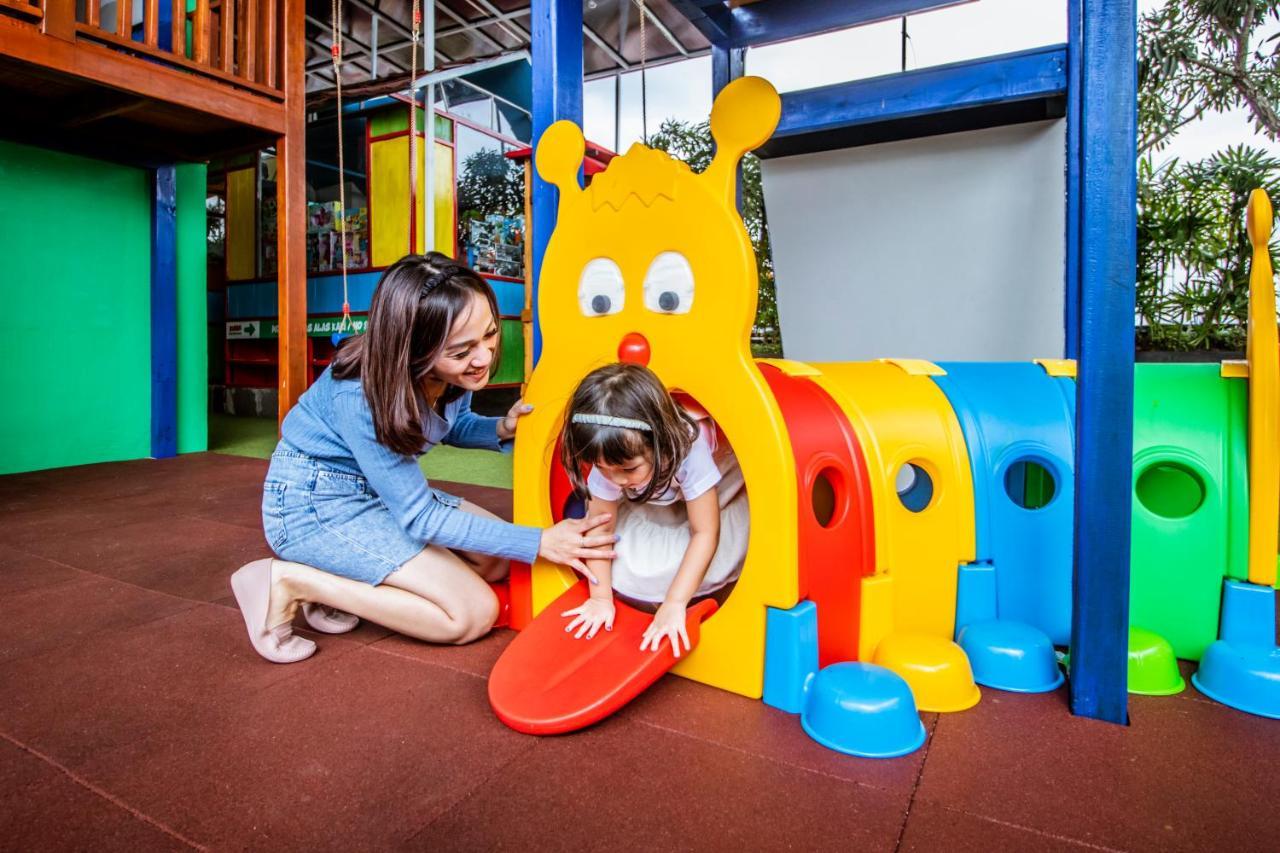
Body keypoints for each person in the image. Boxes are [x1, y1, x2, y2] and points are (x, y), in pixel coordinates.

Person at [230, 253, 617, 664]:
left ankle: (344, 573)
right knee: (470, 614)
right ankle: (290, 582)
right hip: (313, 507)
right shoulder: (361, 394)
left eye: (488, 335)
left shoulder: (449, 372)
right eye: (463, 350)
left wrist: (500, 428)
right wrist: (540, 542)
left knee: (497, 562)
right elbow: (419, 517)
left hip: (380, 493)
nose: (484, 357)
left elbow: (452, 424)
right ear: (411, 349)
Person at [556, 363, 749, 657]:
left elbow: (705, 532)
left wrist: (674, 603)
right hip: (659, 476)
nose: (616, 479)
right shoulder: (609, 459)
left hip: (720, 465)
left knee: (723, 511)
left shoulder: (689, 451)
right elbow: (600, 528)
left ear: (658, 445)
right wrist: (600, 598)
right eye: (604, 469)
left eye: (627, 469)